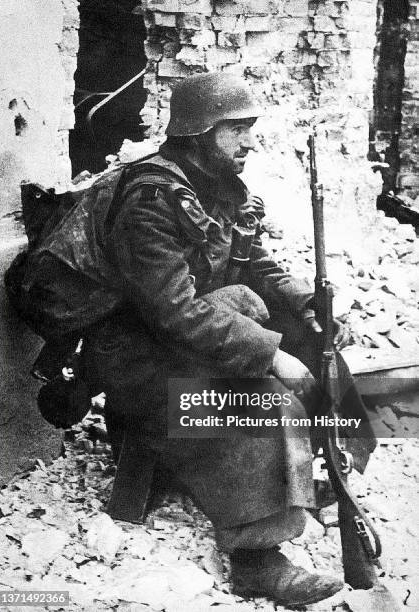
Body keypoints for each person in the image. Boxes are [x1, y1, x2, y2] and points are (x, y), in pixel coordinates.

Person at [73, 72, 373, 606]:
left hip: (179, 342)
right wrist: (269, 355)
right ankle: (257, 557)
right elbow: (176, 311)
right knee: (263, 400)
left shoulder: (215, 188)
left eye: (250, 128)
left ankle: (329, 467)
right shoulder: (150, 199)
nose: (250, 141)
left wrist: (306, 303)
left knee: (311, 338)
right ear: (199, 132)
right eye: (237, 129)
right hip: (136, 361)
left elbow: (254, 265)